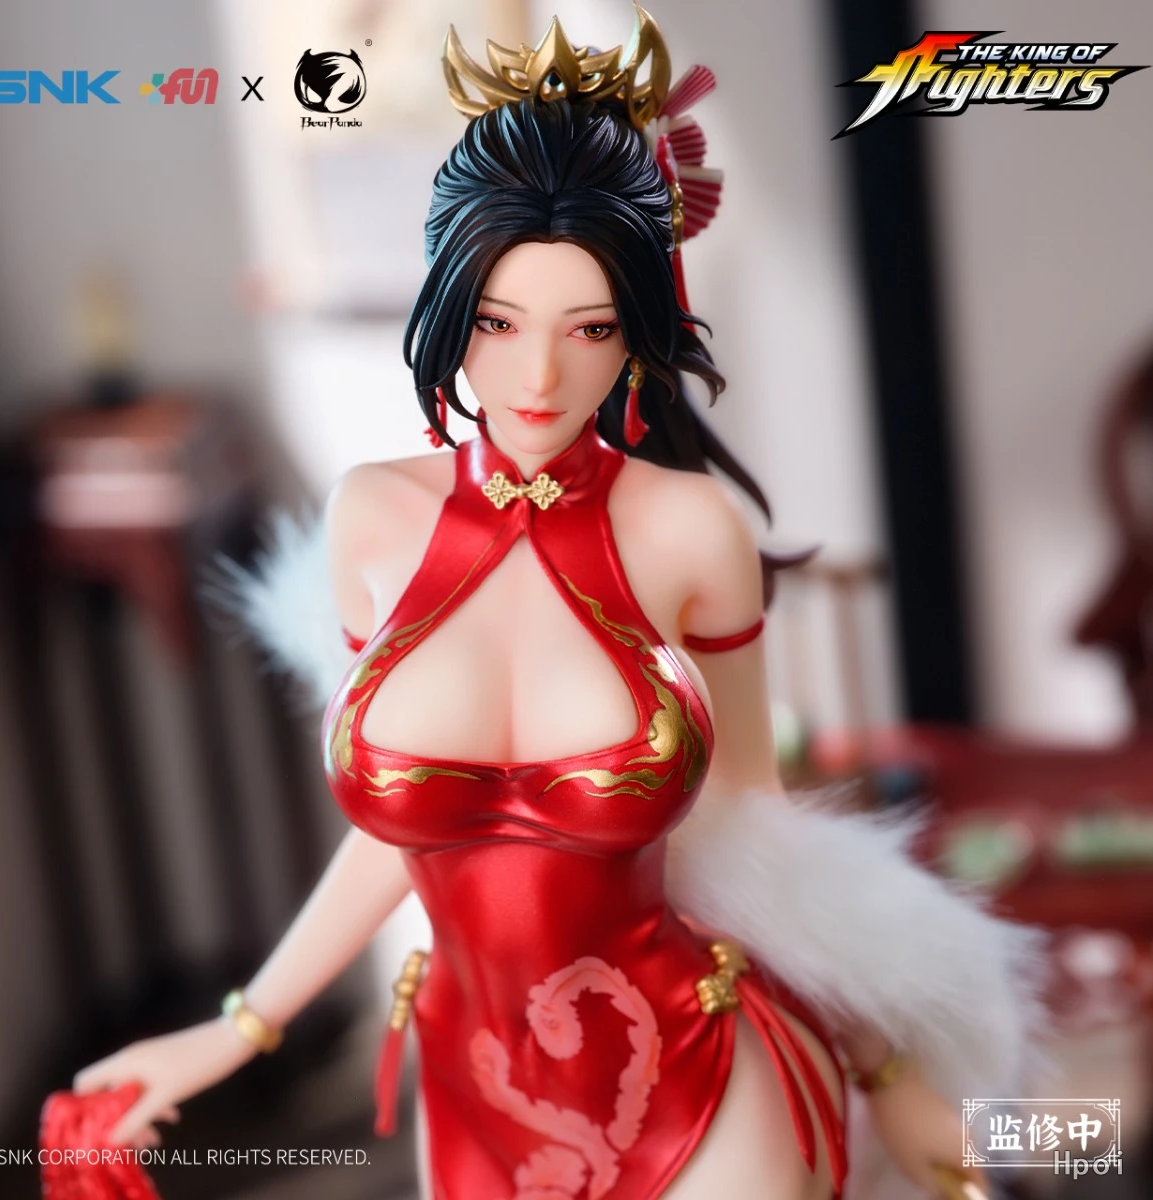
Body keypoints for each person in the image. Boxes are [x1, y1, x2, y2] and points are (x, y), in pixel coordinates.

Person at [71, 10, 1040, 1199]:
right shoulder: (371, 517)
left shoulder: (690, 530)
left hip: (697, 1077)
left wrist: (887, 1067)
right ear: (445, 310)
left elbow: (757, 832)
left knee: (1040, 1144)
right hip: (473, 1098)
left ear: (637, 335)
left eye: (590, 329)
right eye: (497, 323)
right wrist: (234, 1032)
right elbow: (398, 832)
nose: (539, 376)